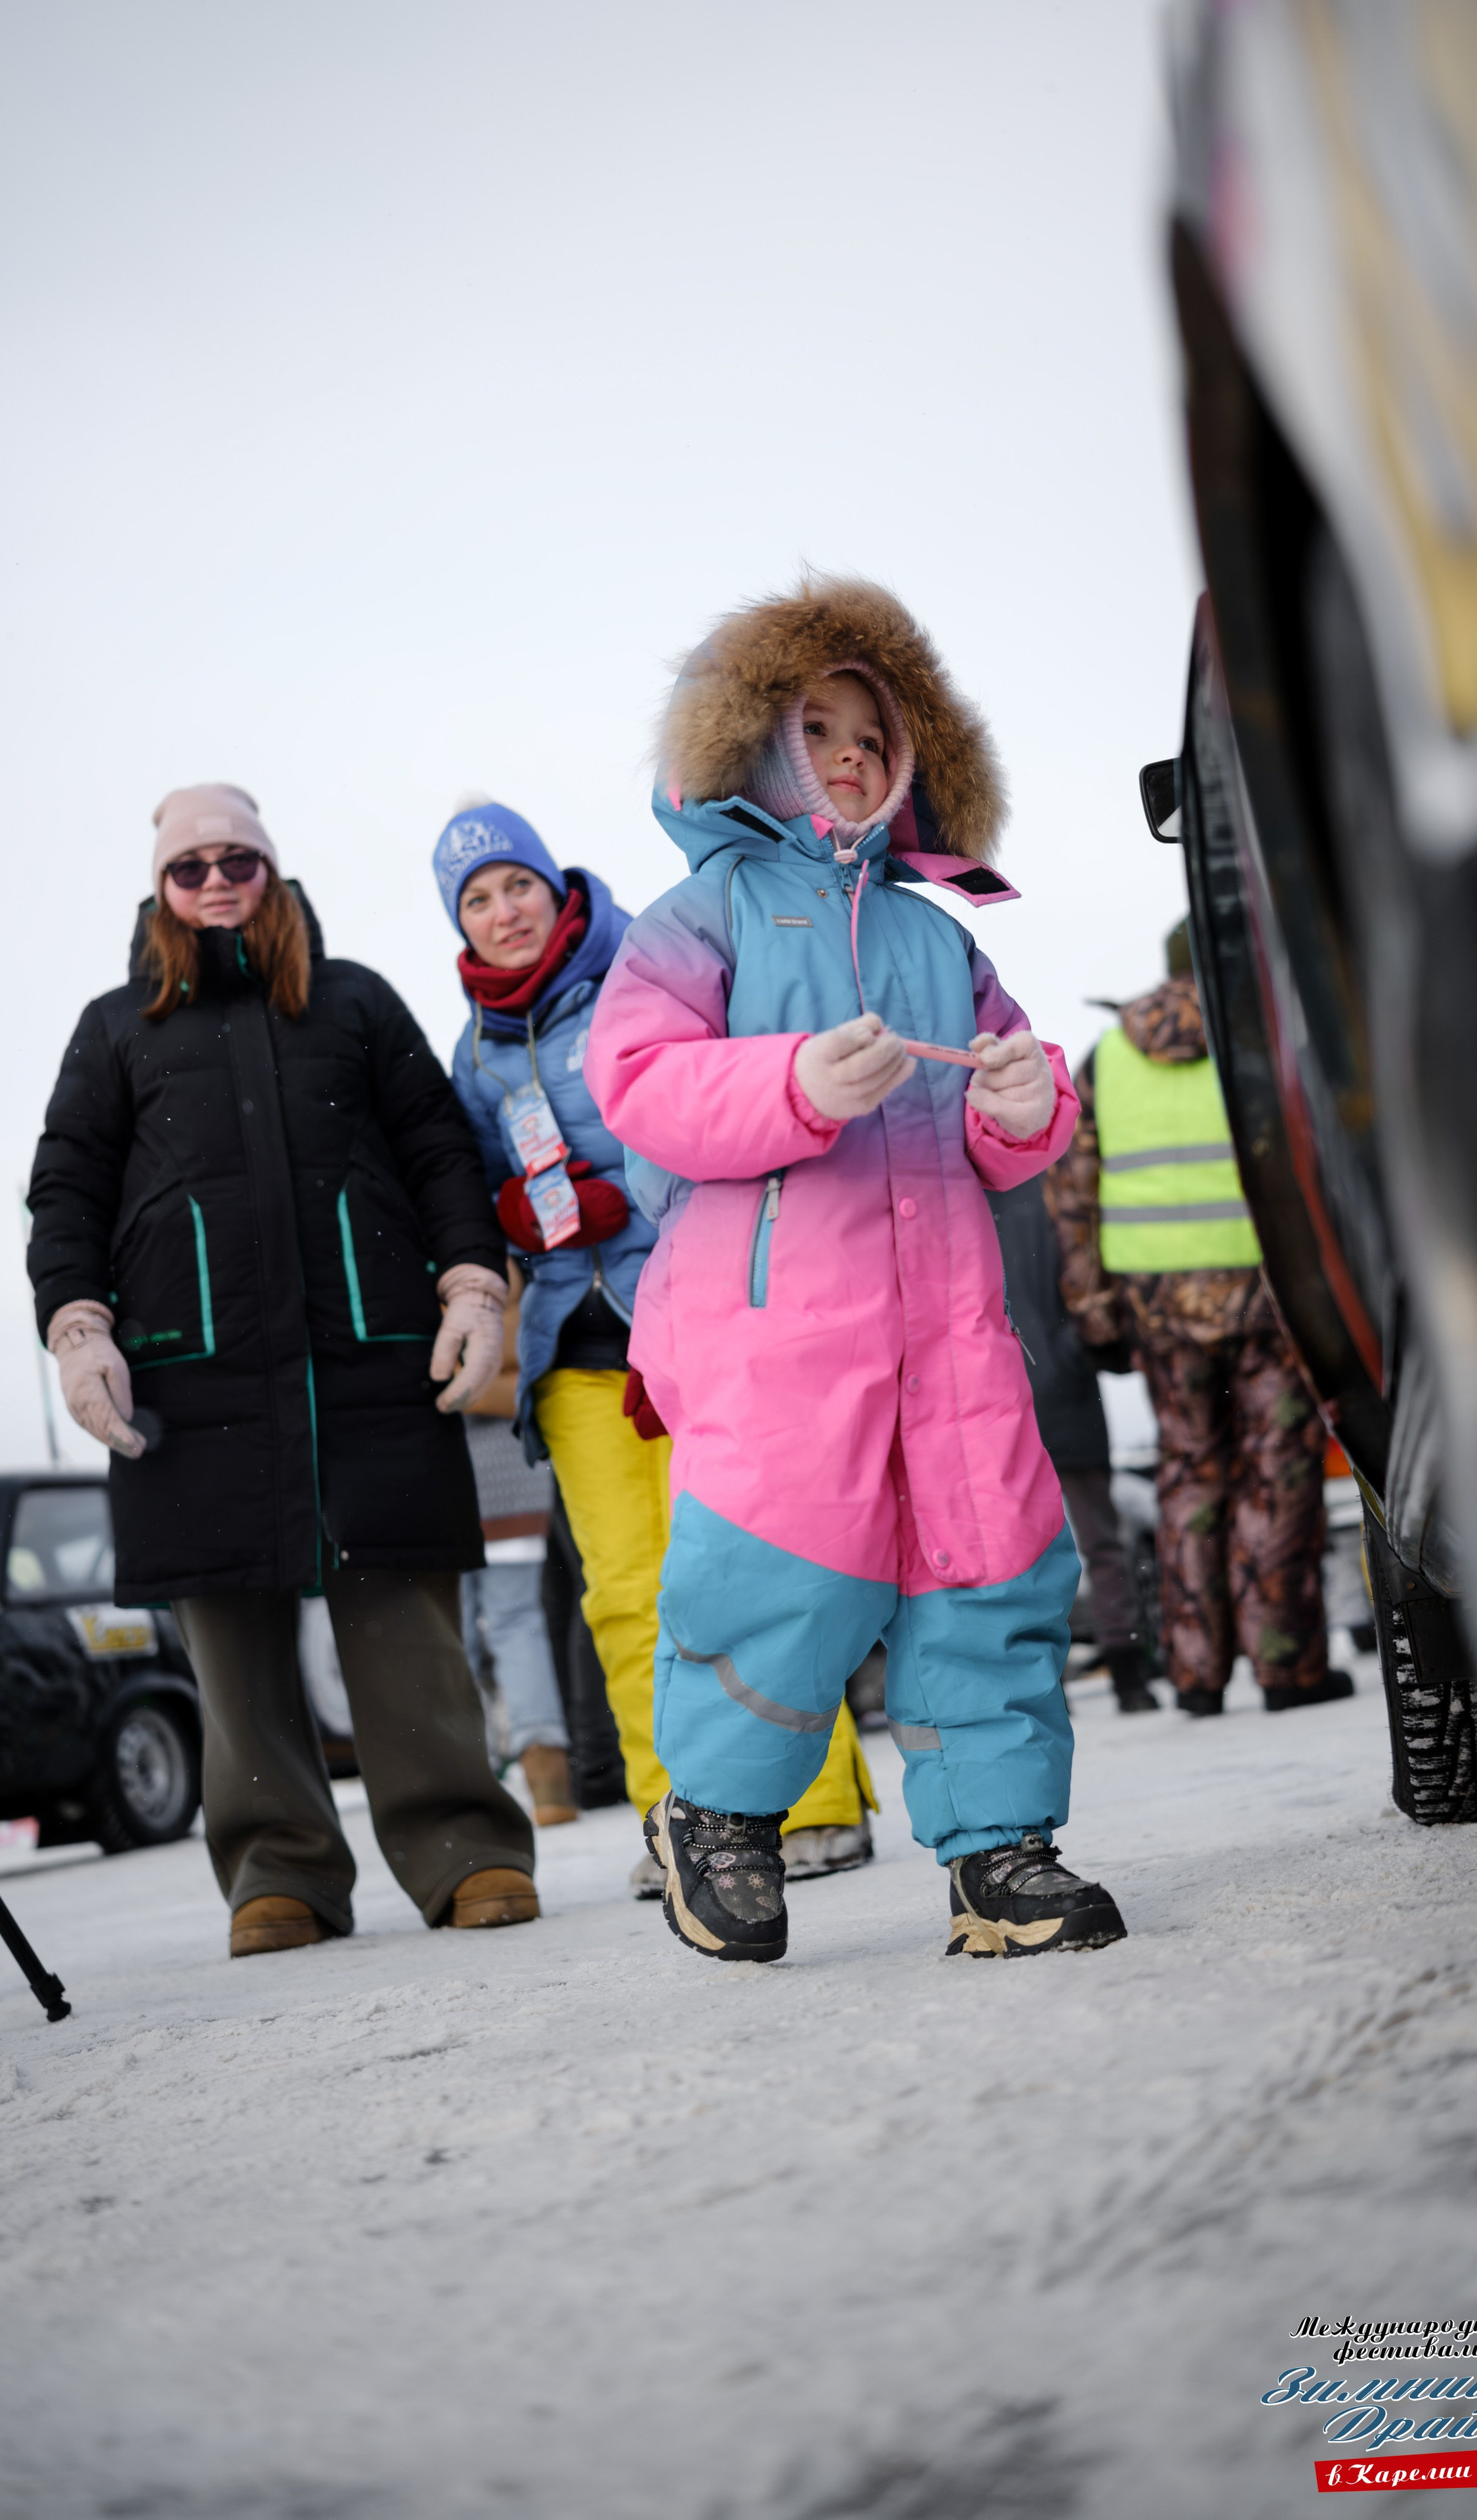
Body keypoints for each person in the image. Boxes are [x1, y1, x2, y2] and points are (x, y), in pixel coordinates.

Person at [587, 574, 1130, 1965]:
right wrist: (791, 1079)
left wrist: (1019, 1108)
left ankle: (997, 1850)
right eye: (814, 727)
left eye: (870, 740)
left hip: (948, 1338)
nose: (844, 757)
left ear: (909, 769)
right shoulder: (692, 922)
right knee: (778, 1586)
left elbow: (1017, 1120)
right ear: (751, 744)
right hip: (776, 1341)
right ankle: (713, 1816)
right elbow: (637, 1085)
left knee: (986, 1577)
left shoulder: (938, 939)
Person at [27, 784, 536, 1956]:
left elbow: (437, 1149)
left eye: (237, 861)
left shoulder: (353, 1001)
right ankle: (281, 1874)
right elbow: (69, 1189)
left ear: (273, 872)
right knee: (232, 1633)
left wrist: (470, 1281)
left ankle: (467, 1850)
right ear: (160, 888)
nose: (215, 881)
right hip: (191, 1375)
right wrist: (78, 1326)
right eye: (190, 866)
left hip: (365, 1353)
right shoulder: (116, 1029)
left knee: (402, 1614)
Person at [437, 797, 877, 1893]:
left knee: (751, 1565)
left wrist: (625, 1202)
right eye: (477, 900)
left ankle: (816, 1805)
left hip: (694, 1314)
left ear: (556, 886)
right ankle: (674, 1815)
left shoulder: (651, 967)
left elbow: (726, 1111)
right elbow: (484, 1189)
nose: (502, 914)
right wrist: (518, 1214)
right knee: (629, 1593)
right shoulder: (476, 1050)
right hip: (573, 1348)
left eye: (516, 887)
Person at [1045, 919, 1351, 1717]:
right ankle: (1286, 1666)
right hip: (1267, 1290)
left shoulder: (1108, 1060)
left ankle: (1195, 1674)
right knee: (1279, 1470)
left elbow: (1071, 1198)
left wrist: (1096, 1313)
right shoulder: (1264, 1037)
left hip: (1159, 1309)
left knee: (1186, 1471)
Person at [989, 1176, 1157, 1711]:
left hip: (998, 1396)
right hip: (1067, 1389)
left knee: (1020, 1552)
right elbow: (1085, 1284)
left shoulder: (956, 1192)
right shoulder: (1050, 1185)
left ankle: (1048, 1682)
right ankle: (1130, 1678)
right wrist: (1070, 1359)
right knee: (1101, 1542)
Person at [461, 1268, 579, 1824]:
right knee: (518, 1622)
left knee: (449, 1632)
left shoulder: (421, 1252)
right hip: (513, 1464)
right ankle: (548, 1779)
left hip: (444, 1466)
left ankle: (470, 1783)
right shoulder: (497, 1258)